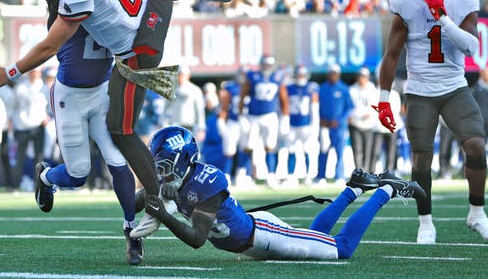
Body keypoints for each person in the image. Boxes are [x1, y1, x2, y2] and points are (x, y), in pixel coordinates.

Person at [0, 0, 233, 239]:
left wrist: (10, 71)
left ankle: (160, 205)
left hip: (136, 54)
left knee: (122, 131)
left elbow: (50, 46)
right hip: (151, 16)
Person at [33, 0, 182, 265]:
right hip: (70, 97)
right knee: (79, 173)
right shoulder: (67, 14)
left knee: (118, 163)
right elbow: (49, 39)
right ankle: (45, 177)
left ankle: (131, 233)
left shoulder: (98, 0)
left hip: (101, 92)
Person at [139, 126, 426, 260]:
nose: (161, 173)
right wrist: (139, 203)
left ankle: (386, 188)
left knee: (341, 249)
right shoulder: (182, 183)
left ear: (183, 159)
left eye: (164, 166)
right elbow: (142, 198)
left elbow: (197, 239)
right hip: (253, 240)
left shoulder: (205, 180)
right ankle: (353, 189)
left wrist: (162, 213)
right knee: (314, 240)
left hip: (263, 235)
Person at [375, 0, 488, 244]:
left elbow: (471, 47)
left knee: (476, 146)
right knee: (421, 160)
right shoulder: (405, 1)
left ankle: (477, 213)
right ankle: (425, 222)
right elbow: (391, 55)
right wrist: (383, 99)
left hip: (455, 86)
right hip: (419, 91)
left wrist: (443, 18)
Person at [239, 54, 289, 188]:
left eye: (269, 64)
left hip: (270, 116)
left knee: (270, 146)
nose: (267, 67)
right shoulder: (252, 76)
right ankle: (245, 175)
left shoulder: (278, 77)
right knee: (249, 145)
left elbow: (284, 98)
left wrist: (285, 118)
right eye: (265, 64)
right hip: (253, 116)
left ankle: (271, 175)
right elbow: (243, 95)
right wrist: (241, 115)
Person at [10, 68, 50, 191]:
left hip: (39, 125)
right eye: (32, 71)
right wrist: (15, 122)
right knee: (20, 156)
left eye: (36, 72)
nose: (34, 74)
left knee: (39, 157)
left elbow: (51, 106)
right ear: (28, 73)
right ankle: (15, 185)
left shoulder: (45, 88)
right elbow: (14, 106)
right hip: (23, 126)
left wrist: (48, 116)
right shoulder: (20, 88)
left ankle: (39, 184)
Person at [316, 63, 354, 185]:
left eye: (335, 74)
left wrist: (340, 120)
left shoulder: (344, 88)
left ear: (338, 75)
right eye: (331, 73)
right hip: (324, 126)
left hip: (339, 127)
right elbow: (317, 106)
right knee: (323, 150)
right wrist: (321, 119)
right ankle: (320, 176)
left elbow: (349, 108)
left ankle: (339, 176)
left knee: (340, 152)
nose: (333, 76)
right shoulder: (322, 88)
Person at [283, 65, 319, 186]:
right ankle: (290, 175)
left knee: (307, 150)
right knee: (291, 150)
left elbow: (314, 109)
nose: (300, 77)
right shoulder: (289, 88)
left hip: (305, 124)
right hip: (292, 124)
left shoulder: (311, 88)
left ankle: (308, 176)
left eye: (303, 75)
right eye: (299, 74)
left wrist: (314, 125)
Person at [166, 65, 206, 144]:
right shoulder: (172, 90)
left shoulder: (195, 90)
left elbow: (200, 110)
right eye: (179, 74)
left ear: (188, 76)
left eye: (183, 75)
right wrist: (162, 123)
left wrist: (201, 128)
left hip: (190, 126)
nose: (181, 77)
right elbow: (165, 108)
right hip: (175, 126)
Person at [348, 67, 378, 172]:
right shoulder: (352, 90)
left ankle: (367, 171)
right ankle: (359, 171)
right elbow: (349, 107)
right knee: (357, 150)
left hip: (369, 124)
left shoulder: (372, 89)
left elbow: (376, 106)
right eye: (360, 76)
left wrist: (370, 114)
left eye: (364, 77)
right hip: (355, 124)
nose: (362, 79)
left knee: (368, 150)